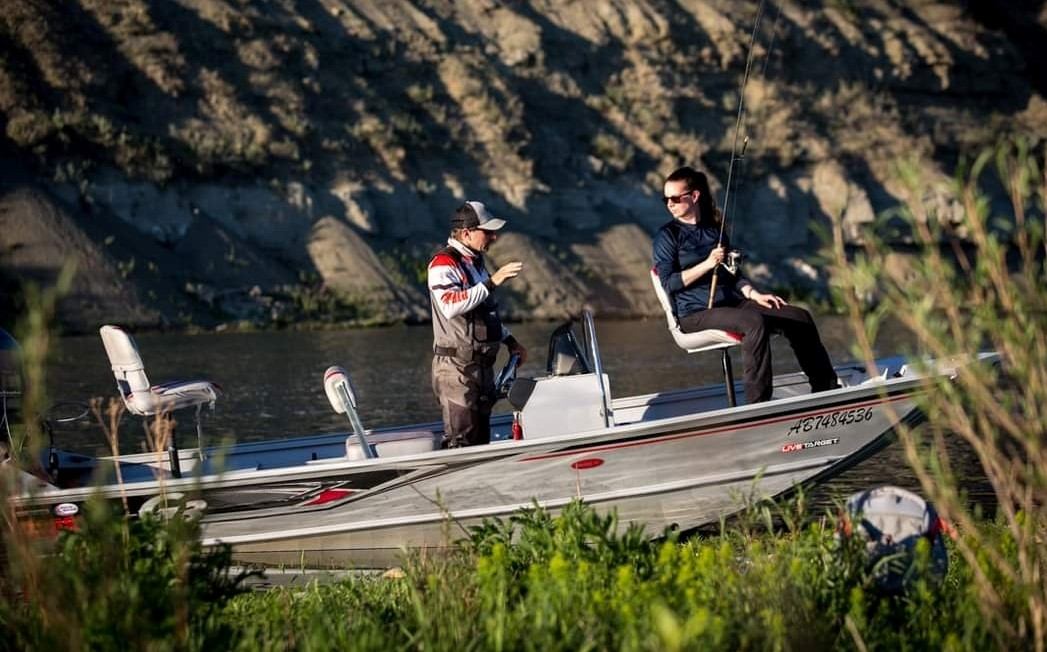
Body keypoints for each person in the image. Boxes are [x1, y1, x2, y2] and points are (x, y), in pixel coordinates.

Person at [652, 166, 838, 403]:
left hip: (733, 304)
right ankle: (758, 403)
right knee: (753, 322)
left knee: (799, 317)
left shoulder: (714, 231)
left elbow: (734, 275)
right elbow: (669, 283)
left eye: (675, 198)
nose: (670, 203)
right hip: (695, 314)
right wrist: (708, 264)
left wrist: (755, 295)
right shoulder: (667, 237)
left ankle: (826, 389)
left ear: (695, 196)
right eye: (665, 199)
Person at [428, 201, 528, 447]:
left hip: (481, 369)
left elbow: (485, 314)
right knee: (461, 444)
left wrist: (511, 342)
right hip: (456, 370)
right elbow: (451, 305)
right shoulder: (443, 263)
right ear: (466, 233)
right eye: (488, 231)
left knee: (480, 442)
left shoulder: (476, 264)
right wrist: (493, 282)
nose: (494, 236)